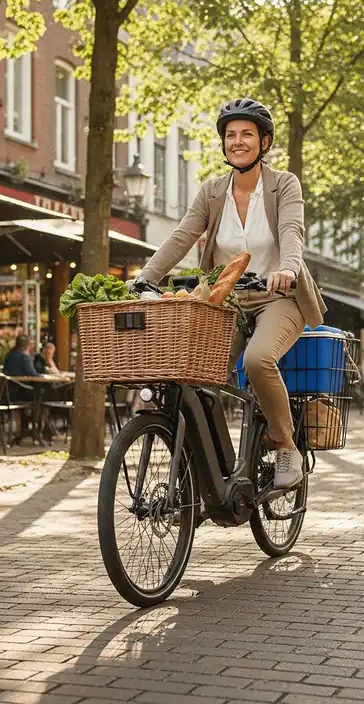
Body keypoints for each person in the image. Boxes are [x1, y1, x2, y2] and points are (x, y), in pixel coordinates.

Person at [137, 97, 326, 489]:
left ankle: (285, 445)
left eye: (247, 134)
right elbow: (182, 236)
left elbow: (292, 231)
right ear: (223, 143)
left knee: (257, 361)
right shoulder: (212, 192)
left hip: (280, 298)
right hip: (229, 302)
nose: (237, 141)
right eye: (230, 135)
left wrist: (288, 268)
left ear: (264, 142)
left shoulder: (283, 185)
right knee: (195, 373)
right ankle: (205, 471)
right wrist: (146, 277)